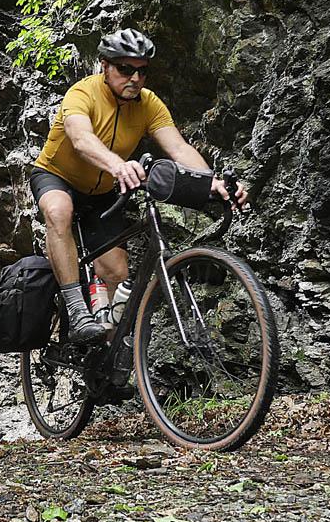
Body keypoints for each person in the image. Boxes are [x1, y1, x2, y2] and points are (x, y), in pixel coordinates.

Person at [29, 28, 250, 363]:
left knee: (117, 274)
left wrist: (212, 184)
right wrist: (118, 165)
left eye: (142, 70)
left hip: (103, 193)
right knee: (58, 211)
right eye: (125, 69)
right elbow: (81, 139)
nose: (134, 78)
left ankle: (109, 361)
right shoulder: (82, 93)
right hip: (58, 176)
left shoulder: (149, 105)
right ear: (104, 66)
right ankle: (75, 310)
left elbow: (178, 148)